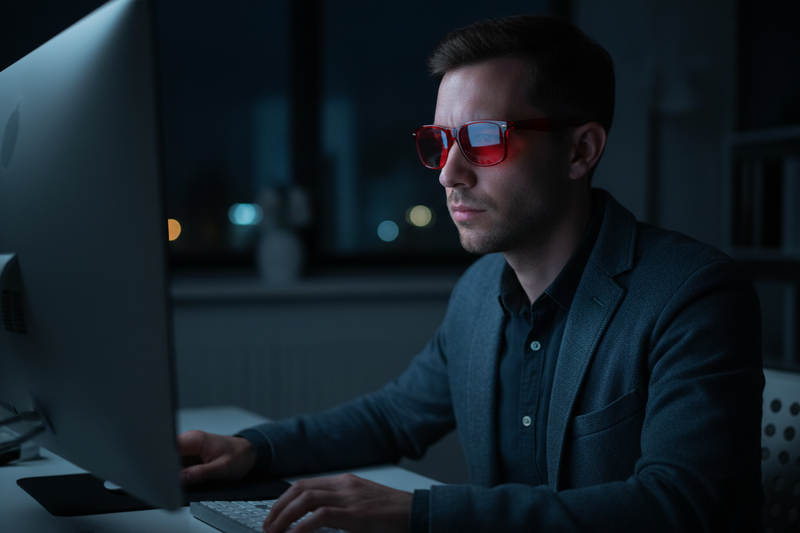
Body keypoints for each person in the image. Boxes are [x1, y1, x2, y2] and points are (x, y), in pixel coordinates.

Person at [178, 14, 764, 533]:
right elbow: (393, 417)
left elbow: (681, 507)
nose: (448, 174)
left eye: (484, 140)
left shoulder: (694, 295)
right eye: (440, 141)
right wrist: (250, 450)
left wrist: (421, 515)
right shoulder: (481, 292)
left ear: (581, 151)